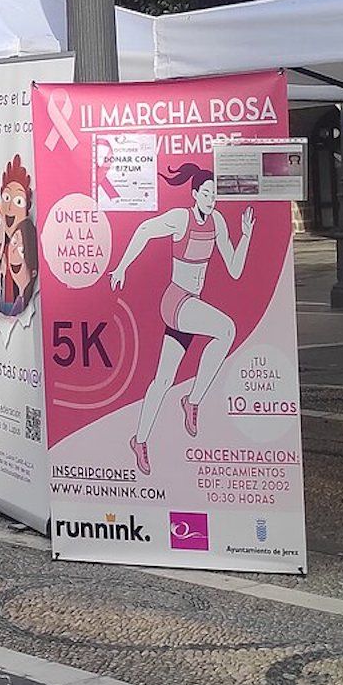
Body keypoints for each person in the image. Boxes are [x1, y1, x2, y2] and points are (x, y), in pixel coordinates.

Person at [108, 162, 256, 477]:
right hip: (177, 301)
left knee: (162, 381)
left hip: (193, 306)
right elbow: (145, 230)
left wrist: (245, 236)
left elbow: (234, 268)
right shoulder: (181, 218)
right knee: (226, 329)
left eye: (214, 194)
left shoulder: (216, 221)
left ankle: (139, 439)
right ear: (194, 194)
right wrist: (122, 267)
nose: (211, 199)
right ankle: (192, 400)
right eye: (206, 193)